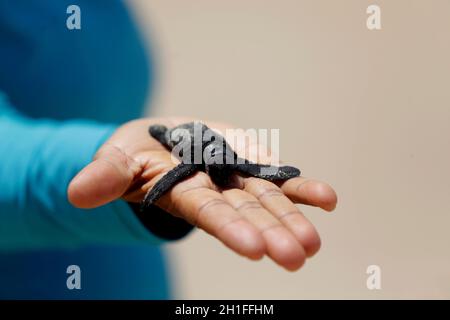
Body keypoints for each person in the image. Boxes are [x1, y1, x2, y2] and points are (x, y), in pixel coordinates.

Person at [0, 1, 337, 299]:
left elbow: (244, 167)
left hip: (137, 263)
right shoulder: (189, 162)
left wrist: (279, 172)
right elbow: (184, 167)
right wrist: (132, 168)